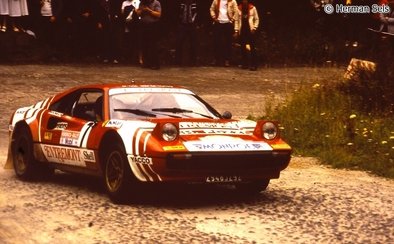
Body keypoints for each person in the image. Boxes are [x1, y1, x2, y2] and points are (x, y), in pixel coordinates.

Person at [209, 0, 239, 67]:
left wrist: (232, 20)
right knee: (216, 41)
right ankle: (216, 59)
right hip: (218, 23)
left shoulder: (232, 1)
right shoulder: (216, 1)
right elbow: (211, 9)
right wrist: (214, 17)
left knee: (228, 42)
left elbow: (236, 11)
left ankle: (227, 60)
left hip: (228, 23)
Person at [136, 0, 162, 69]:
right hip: (143, 25)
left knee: (153, 45)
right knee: (144, 44)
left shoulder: (156, 2)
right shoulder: (142, 3)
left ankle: (155, 64)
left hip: (153, 25)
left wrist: (149, 10)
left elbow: (158, 14)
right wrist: (142, 11)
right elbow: (138, 14)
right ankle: (146, 63)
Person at [234, 0, 259, 71]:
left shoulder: (253, 8)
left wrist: (254, 28)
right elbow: (236, 20)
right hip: (242, 30)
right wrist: (236, 31)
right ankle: (245, 64)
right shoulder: (238, 8)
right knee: (243, 47)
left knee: (252, 47)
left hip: (250, 30)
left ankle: (254, 64)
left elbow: (257, 19)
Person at [175, 0, 198, 66]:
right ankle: (178, 61)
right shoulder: (181, 2)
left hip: (192, 25)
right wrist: (178, 23)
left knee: (193, 43)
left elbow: (198, 13)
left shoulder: (195, 2)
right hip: (182, 25)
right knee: (179, 42)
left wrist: (197, 24)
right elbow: (177, 12)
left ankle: (193, 61)